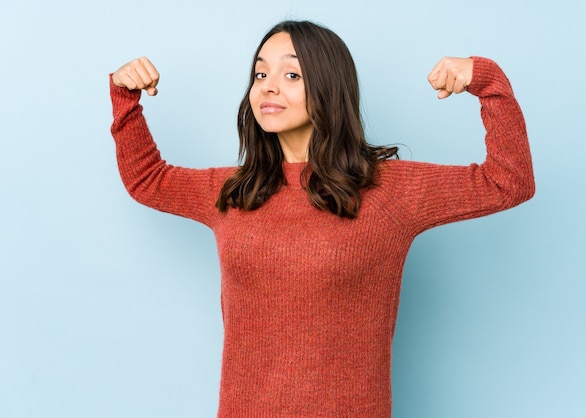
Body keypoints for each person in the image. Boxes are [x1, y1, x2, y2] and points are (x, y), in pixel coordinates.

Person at [109, 20, 534, 418]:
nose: (269, 87)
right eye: (260, 75)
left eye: (291, 75)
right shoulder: (236, 191)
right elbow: (147, 178)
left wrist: (487, 81)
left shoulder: (388, 190)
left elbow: (508, 181)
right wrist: (125, 96)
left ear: (328, 88)